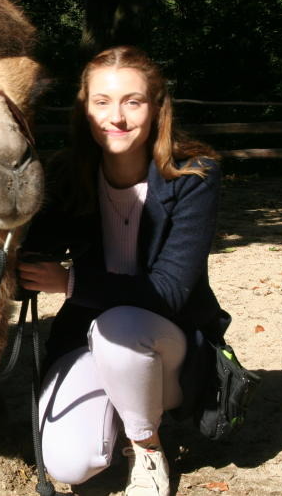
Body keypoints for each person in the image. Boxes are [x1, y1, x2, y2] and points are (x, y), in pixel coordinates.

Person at [18, 46, 231, 496]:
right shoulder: (66, 174)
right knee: (71, 465)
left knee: (122, 326)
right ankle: (121, 405)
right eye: (102, 102)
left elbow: (170, 292)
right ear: (85, 111)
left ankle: (148, 447)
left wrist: (70, 282)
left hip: (166, 347)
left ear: (156, 107)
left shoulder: (194, 176)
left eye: (132, 101)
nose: (116, 117)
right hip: (89, 340)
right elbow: (28, 267)